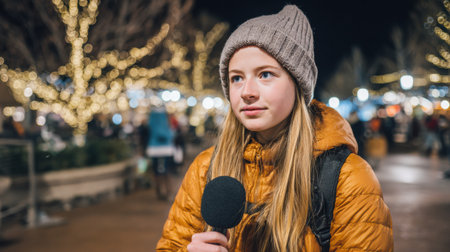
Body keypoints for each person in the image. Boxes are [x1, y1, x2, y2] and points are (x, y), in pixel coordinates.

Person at [157, 5, 393, 251]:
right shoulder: (205, 169)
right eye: (236, 78)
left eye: (265, 74)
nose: (247, 92)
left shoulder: (348, 178)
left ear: (298, 85)